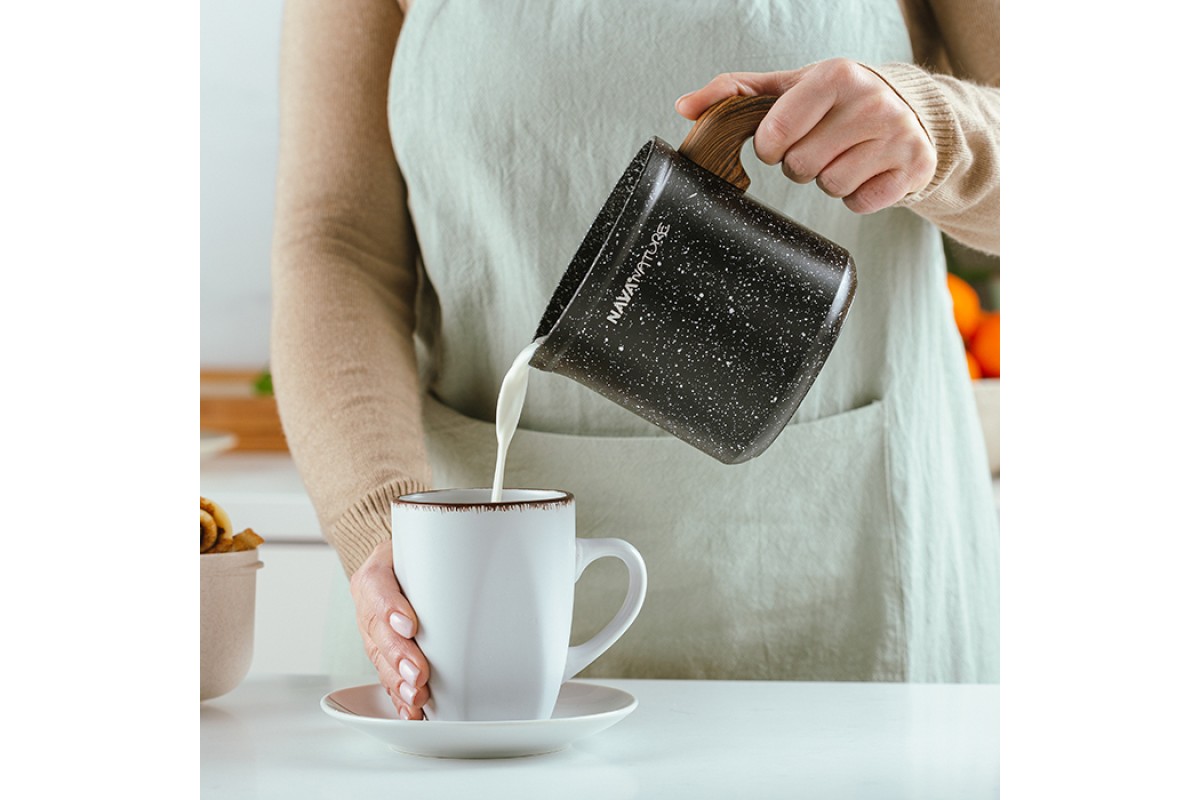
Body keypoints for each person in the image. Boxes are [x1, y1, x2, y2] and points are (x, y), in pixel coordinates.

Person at [270, 0, 1000, 720]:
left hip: (851, 568)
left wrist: (940, 132)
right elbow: (337, 243)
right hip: (460, 604)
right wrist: (382, 524)